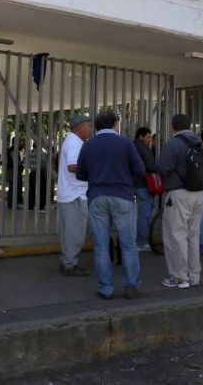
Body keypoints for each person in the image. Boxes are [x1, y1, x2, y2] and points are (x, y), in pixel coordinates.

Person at [76, 112, 145, 300]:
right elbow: (140, 169)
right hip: (123, 196)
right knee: (129, 245)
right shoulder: (125, 143)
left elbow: (80, 174)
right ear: (115, 124)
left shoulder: (88, 145)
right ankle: (131, 286)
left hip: (97, 197)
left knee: (101, 245)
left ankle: (106, 288)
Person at [158, 114, 203, 289]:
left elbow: (163, 167)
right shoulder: (199, 143)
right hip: (199, 194)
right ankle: (194, 276)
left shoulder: (174, 144)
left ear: (173, 126)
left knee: (175, 235)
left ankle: (179, 277)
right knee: (193, 236)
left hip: (179, 194)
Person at [57, 115, 93, 276]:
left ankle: (67, 262)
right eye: (88, 126)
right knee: (75, 232)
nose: (90, 129)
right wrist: (93, 169)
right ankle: (69, 265)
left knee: (70, 231)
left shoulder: (72, 141)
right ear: (80, 127)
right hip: (75, 195)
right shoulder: (74, 143)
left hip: (71, 194)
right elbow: (72, 166)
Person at [132, 126, 159, 252]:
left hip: (132, 184)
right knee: (145, 213)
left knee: (138, 213)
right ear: (141, 137)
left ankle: (138, 240)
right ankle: (141, 242)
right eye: (148, 137)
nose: (150, 140)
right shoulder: (143, 148)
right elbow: (151, 166)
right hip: (143, 184)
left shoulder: (131, 146)